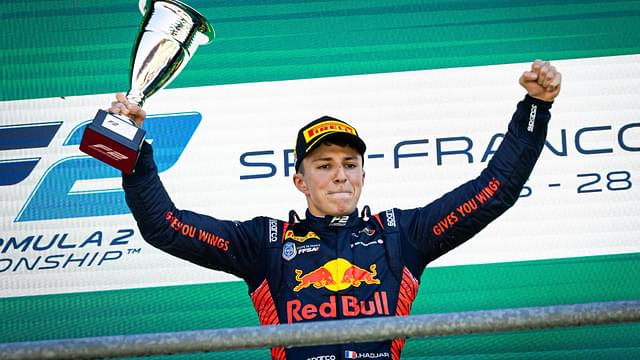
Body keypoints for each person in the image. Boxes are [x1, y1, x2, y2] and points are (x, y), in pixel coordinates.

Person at [112, 60, 561, 360]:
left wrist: (536, 108)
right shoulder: (264, 242)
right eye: (324, 166)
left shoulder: (400, 234)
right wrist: (134, 152)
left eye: (350, 164)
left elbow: (495, 190)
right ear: (300, 181)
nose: (340, 175)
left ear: (363, 174)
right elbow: (165, 227)